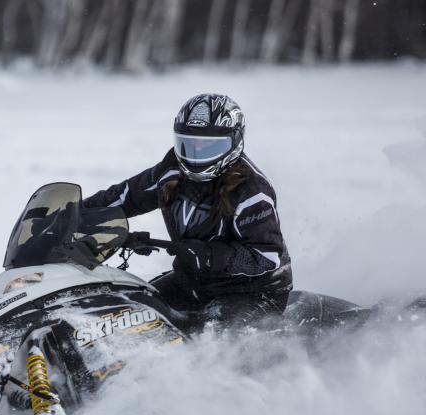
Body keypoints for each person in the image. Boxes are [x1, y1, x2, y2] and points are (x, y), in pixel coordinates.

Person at [83, 93, 292, 333]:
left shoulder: (252, 192)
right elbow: (126, 196)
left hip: (252, 292)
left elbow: (266, 255)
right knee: (131, 316)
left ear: (234, 142)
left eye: (210, 145)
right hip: (194, 281)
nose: (196, 152)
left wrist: (207, 256)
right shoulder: (171, 169)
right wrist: (74, 214)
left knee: (209, 343)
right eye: (189, 143)